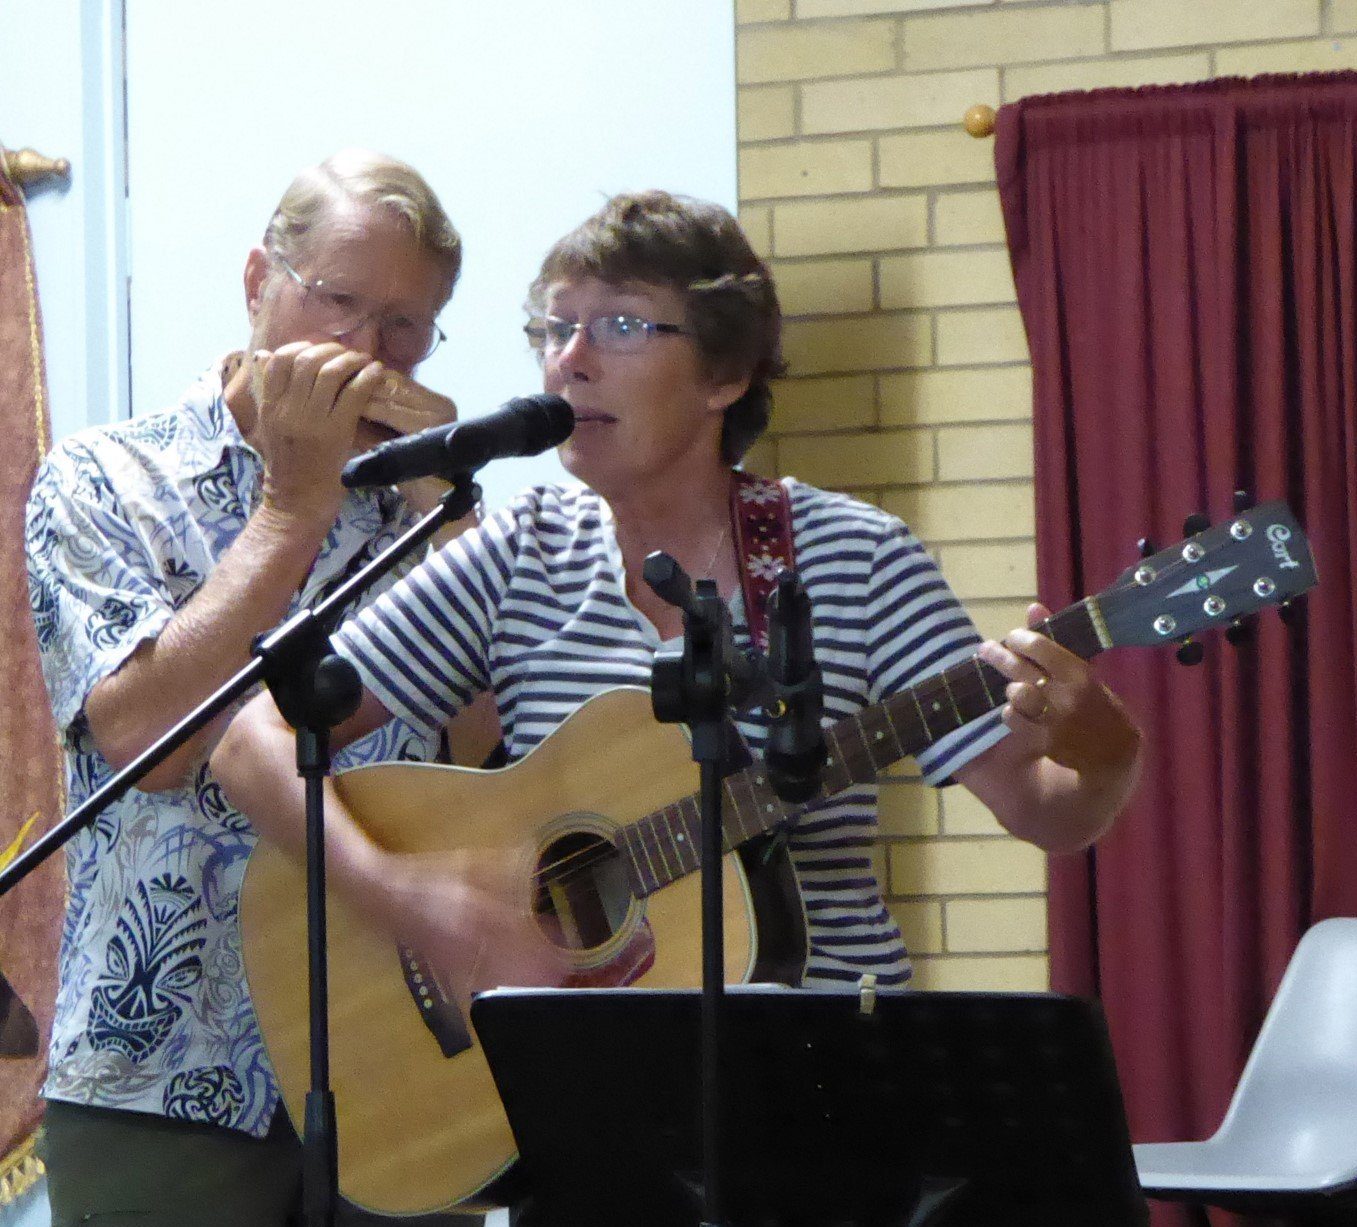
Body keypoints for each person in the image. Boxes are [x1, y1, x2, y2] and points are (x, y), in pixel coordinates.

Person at [210, 187, 1143, 1201]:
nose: (570, 360)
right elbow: (250, 737)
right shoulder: (522, 552)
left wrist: (1102, 745)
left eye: (619, 326)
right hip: (578, 1112)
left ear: (725, 375)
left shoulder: (856, 560)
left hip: (819, 1110)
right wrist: (411, 899)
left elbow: (1044, 811)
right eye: (555, 328)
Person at [25, 149, 491, 1226]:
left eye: (405, 326)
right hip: (161, 1074)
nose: (364, 352)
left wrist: (451, 519)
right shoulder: (104, 478)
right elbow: (146, 742)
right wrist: (293, 509)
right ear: (256, 282)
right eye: (338, 302)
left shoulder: (433, 502)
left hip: (403, 1056)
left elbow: (484, 753)